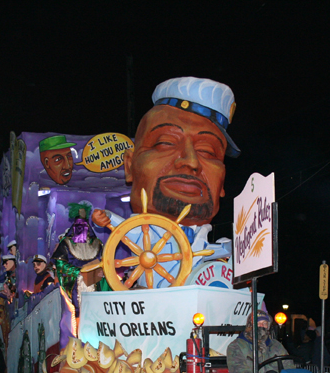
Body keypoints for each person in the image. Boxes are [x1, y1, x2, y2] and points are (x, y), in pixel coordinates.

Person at [89, 77, 238, 288]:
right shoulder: (142, 235)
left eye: (207, 151)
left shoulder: (204, 240)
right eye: (165, 143)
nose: (191, 161)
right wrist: (106, 219)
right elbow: (120, 228)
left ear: (222, 183)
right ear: (130, 166)